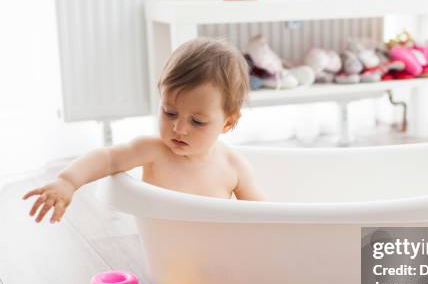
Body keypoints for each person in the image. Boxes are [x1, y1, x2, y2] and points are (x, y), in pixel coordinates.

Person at [23, 37, 265, 223]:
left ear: (227, 123)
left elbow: (265, 216)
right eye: (169, 113)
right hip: (164, 248)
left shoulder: (234, 166)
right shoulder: (153, 151)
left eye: (197, 122)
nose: (179, 129)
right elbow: (107, 158)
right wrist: (68, 181)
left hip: (215, 251)